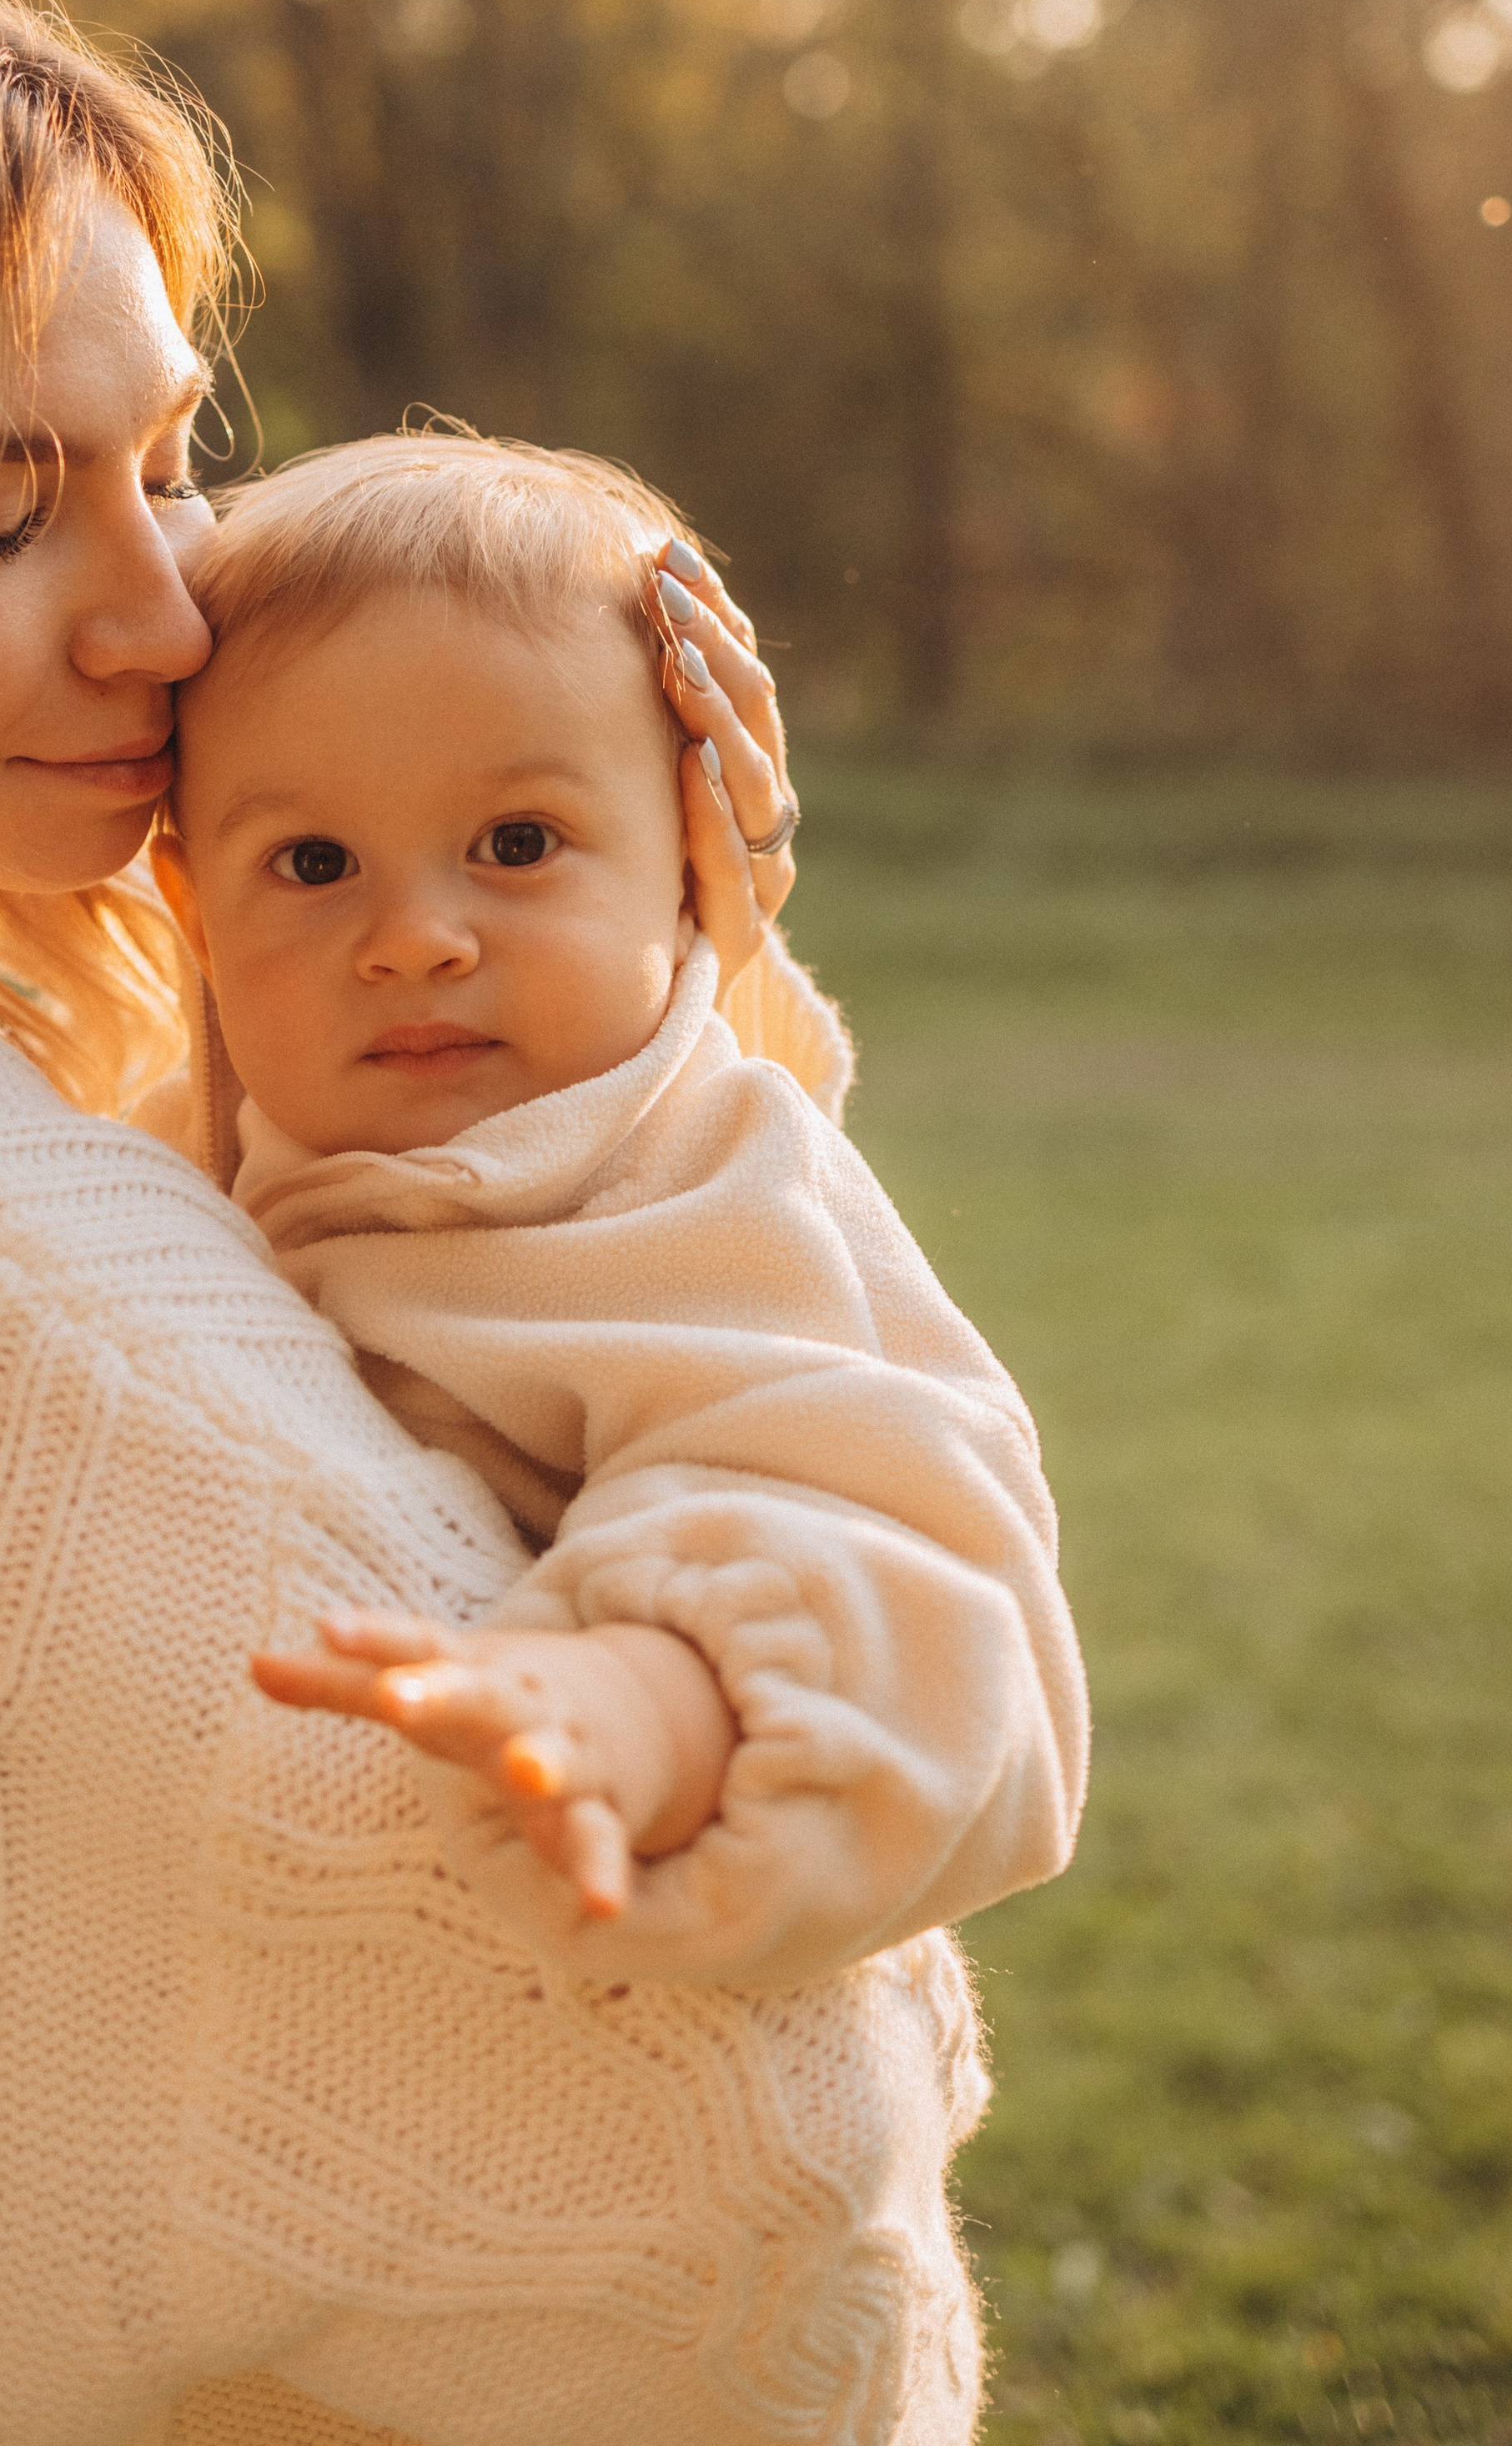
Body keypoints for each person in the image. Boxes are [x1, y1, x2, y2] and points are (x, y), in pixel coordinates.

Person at [0, 0, 1063, 2446]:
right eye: (5, 521)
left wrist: (657, 1007)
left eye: (168, 464)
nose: (168, 614)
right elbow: (733, 2166)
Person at [154, 431, 1086, 1976]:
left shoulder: (700, 1182)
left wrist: (631, 1708)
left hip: (604, 1963)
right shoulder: (186, 1158)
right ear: (192, 909)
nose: (415, 937)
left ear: (691, 864)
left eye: (517, 845)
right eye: (314, 864)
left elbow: (908, 1563)